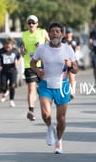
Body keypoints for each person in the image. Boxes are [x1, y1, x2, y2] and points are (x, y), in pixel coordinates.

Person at [30, 22, 78, 154]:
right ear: (49, 34)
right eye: (53, 31)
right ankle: (49, 127)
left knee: (61, 119)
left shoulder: (68, 49)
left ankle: (59, 140)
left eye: (57, 31)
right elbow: (32, 62)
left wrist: (70, 66)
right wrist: (37, 71)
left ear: (62, 34)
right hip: (46, 84)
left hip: (62, 85)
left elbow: (75, 70)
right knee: (46, 114)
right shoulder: (42, 49)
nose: (55, 33)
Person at [21, 15, 49, 121]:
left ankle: (46, 108)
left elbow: (51, 45)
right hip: (30, 65)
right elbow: (22, 48)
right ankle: (31, 111)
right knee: (31, 88)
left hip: (42, 65)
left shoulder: (42, 32)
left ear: (37, 24)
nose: (31, 25)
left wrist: (41, 47)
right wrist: (22, 51)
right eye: (29, 23)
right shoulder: (24, 35)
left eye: (33, 23)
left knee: (43, 89)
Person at [0, 37, 21, 107]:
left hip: (13, 71)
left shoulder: (15, 51)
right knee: (3, 86)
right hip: (3, 71)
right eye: (6, 47)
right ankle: (5, 92)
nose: (7, 48)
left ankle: (11, 100)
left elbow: (20, 58)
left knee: (12, 86)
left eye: (9, 47)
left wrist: (17, 63)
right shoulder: (1, 51)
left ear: (12, 46)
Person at [62, 27, 80, 98]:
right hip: (64, 60)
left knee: (72, 76)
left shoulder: (75, 39)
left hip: (73, 60)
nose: (68, 34)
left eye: (69, 33)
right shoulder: (63, 40)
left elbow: (79, 47)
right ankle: (64, 90)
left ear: (72, 33)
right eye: (67, 33)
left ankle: (72, 91)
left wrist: (77, 48)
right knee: (64, 76)